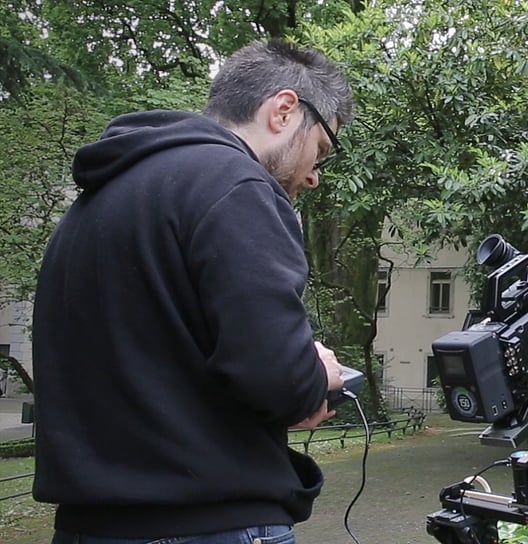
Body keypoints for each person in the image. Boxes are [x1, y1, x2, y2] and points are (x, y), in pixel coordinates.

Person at [31, 39, 354, 543]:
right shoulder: (238, 186)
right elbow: (280, 381)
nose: (314, 176)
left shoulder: (96, 201)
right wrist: (318, 375)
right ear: (284, 110)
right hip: (209, 524)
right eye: (321, 150)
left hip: (87, 526)